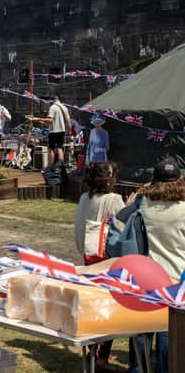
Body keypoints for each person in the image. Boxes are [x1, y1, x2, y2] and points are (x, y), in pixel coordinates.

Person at [118, 158, 184, 373]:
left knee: (141, 330)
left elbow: (119, 222)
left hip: (145, 275)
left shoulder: (142, 202)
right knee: (168, 332)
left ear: (154, 179)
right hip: (177, 278)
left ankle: (138, 369)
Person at [73, 162, 124, 372]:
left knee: (93, 304)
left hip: (88, 256)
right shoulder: (113, 200)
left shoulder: (85, 197)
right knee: (109, 308)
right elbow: (123, 226)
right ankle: (101, 356)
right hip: (107, 259)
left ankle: (93, 353)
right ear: (109, 180)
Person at [30, 95, 71, 165]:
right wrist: (69, 130)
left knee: (51, 149)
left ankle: (51, 167)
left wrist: (37, 119)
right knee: (60, 148)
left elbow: (50, 120)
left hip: (54, 131)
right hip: (62, 131)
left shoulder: (53, 107)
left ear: (53, 100)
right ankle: (61, 167)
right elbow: (68, 121)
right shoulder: (64, 107)